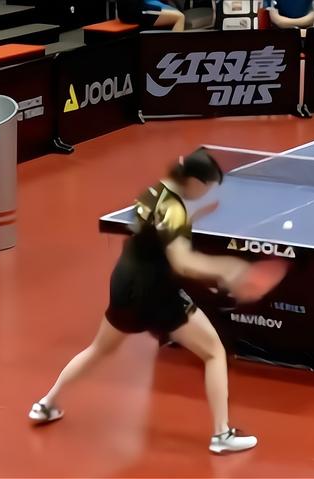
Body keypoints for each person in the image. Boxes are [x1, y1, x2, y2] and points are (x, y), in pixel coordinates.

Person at [29, 148, 264, 454]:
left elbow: (157, 232)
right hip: (156, 293)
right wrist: (228, 267)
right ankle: (222, 435)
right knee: (214, 352)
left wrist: (193, 218)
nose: (206, 193)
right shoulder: (175, 211)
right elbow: (183, 263)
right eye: (207, 186)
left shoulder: (152, 193)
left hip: (124, 283)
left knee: (100, 348)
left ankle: (46, 404)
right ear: (194, 181)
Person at [117, 0, 186, 31]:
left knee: (176, 13)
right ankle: (173, 52)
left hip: (132, 9)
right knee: (179, 17)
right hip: (134, 11)